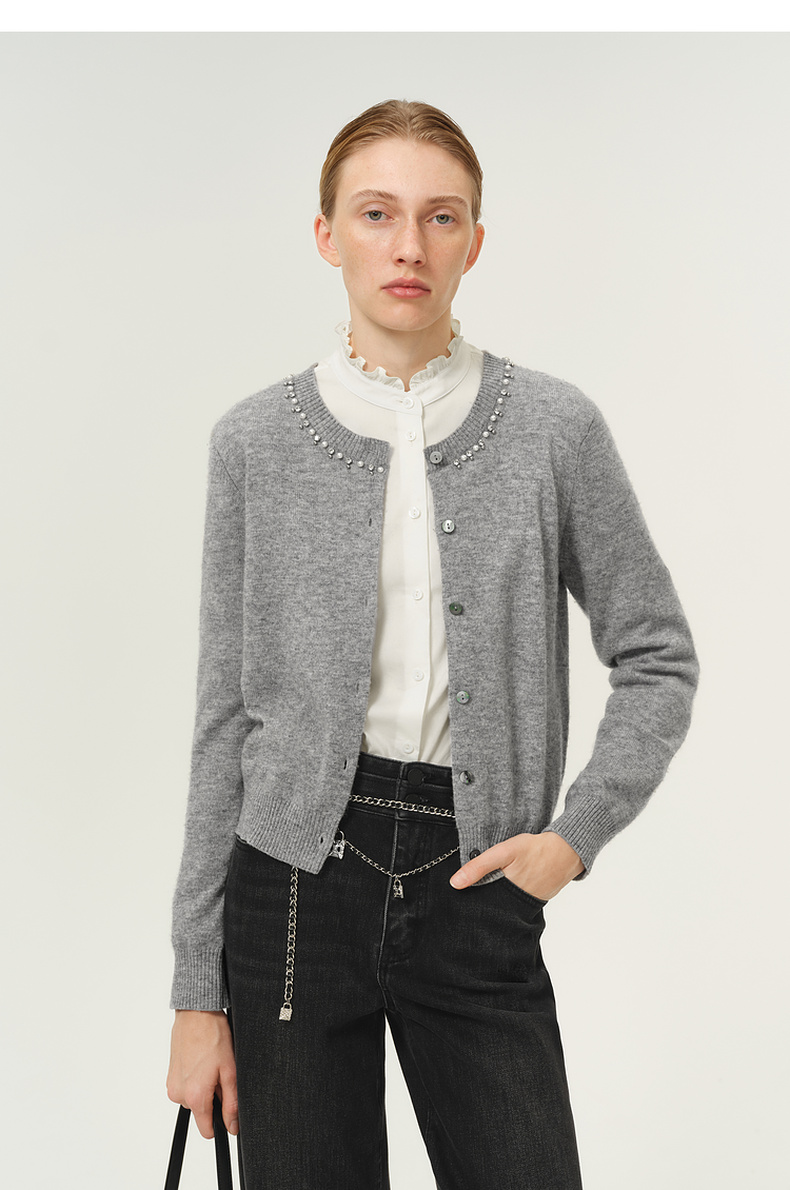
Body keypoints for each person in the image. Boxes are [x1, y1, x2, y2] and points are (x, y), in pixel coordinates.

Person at [166, 99, 699, 1189]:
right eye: (377, 214)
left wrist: (571, 840)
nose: (408, 245)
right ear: (327, 235)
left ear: (474, 242)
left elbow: (657, 654)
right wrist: (194, 993)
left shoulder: (553, 429)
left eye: (439, 216)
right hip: (291, 891)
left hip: (478, 878)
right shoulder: (254, 443)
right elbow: (225, 719)